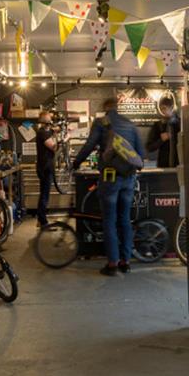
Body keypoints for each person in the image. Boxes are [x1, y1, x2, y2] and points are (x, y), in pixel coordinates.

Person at [74, 97, 143, 276]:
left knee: (109, 221)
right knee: (124, 219)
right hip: (129, 178)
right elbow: (141, 155)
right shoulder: (130, 124)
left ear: (105, 107)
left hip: (110, 178)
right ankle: (126, 262)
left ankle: (112, 264)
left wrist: (76, 162)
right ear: (118, 107)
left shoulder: (101, 122)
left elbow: (89, 145)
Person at [35, 109, 57, 227]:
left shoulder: (46, 131)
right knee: (44, 194)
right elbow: (53, 146)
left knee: (44, 193)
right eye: (49, 116)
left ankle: (41, 219)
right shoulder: (42, 132)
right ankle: (42, 220)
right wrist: (67, 137)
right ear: (44, 119)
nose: (51, 118)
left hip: (46, 166)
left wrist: (55, 133)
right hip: (45, 167)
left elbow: (51, 136)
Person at [146, 95, 179, 168]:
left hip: (179, 165)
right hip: (163, 166)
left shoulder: (180, 123)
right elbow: (149, 147)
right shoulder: (158, 126)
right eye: (162, 109)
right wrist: (161, 140)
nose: (163, 111)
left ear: (172, 107)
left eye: (165, 108)